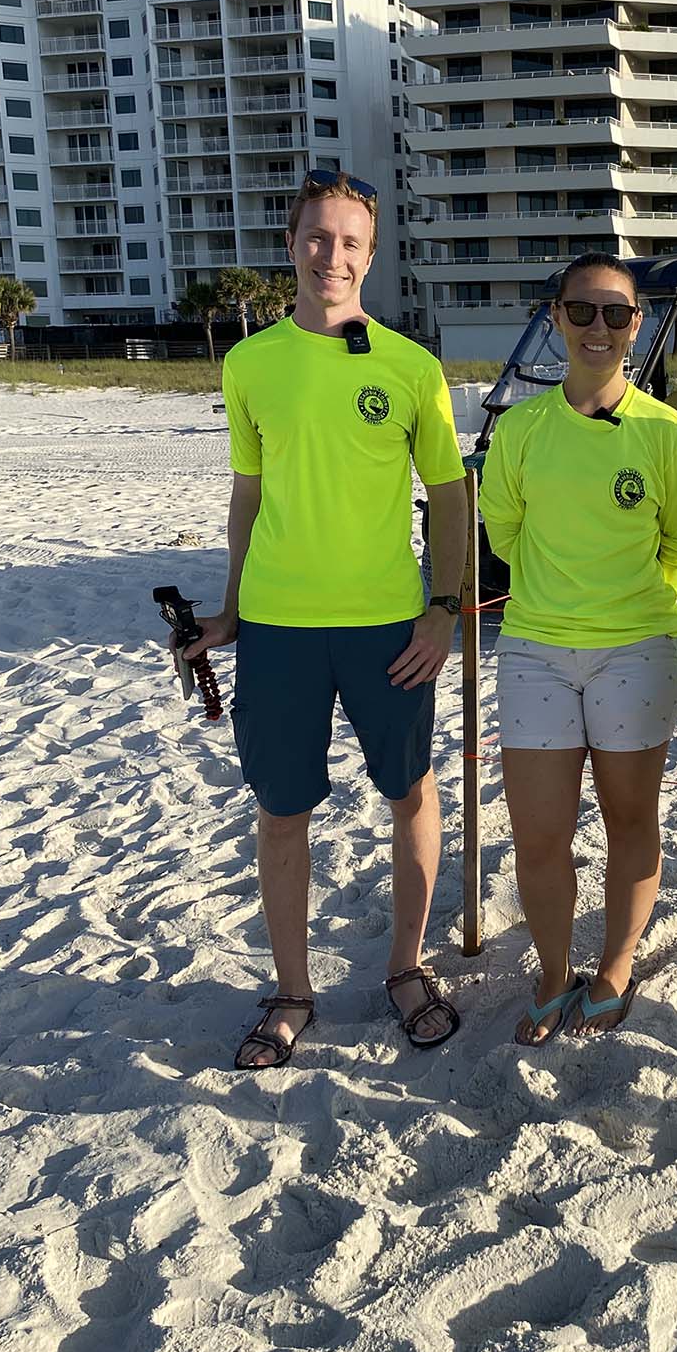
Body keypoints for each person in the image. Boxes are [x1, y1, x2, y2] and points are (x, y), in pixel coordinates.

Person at [182, 168, 469, 1070]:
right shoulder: (249, 364)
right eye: (317, 237)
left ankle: (406, 968)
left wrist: (444, 609)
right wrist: (231, 610)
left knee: (410, 793)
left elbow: (452, 498)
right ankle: (293, 992)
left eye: (349, 242)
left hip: (390, 626)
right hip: (278, 629)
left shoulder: (410, 367)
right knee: (281, 811)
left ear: (371, 257)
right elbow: (247, 494)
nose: (331, 256)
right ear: (292, 244)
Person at [480, 254, 677, 1042]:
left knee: (628, 821)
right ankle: (550, 969)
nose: (598, 328)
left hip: (637, 649)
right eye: (582, 312)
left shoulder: (666, 432)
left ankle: (614, 965)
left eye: (616, 313)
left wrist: (641, 603)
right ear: (557, 317)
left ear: (637, 325)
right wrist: (562, 594)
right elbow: (503, 533)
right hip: (537, 647)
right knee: (540, 832)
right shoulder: (521, 429)